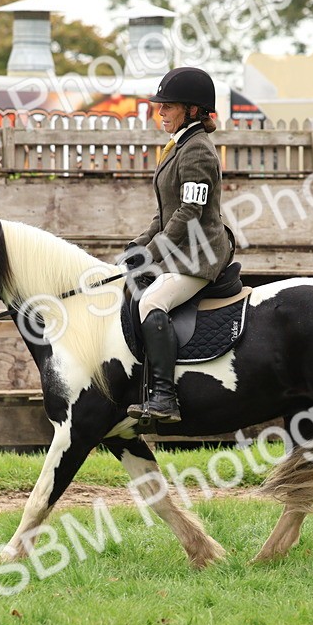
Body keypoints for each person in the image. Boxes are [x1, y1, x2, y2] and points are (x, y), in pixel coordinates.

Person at [125, 66, 234, 424]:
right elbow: (166, 212)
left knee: (152, 301)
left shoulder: (198, 150)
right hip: (181, 249)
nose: (160, 113)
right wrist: (138, 245)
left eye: (167, 106)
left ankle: (164, 397)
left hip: (199, 255)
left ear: (191, 110)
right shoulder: (178, 147)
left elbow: (189, 212)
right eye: (160, 106)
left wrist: (152, 253)